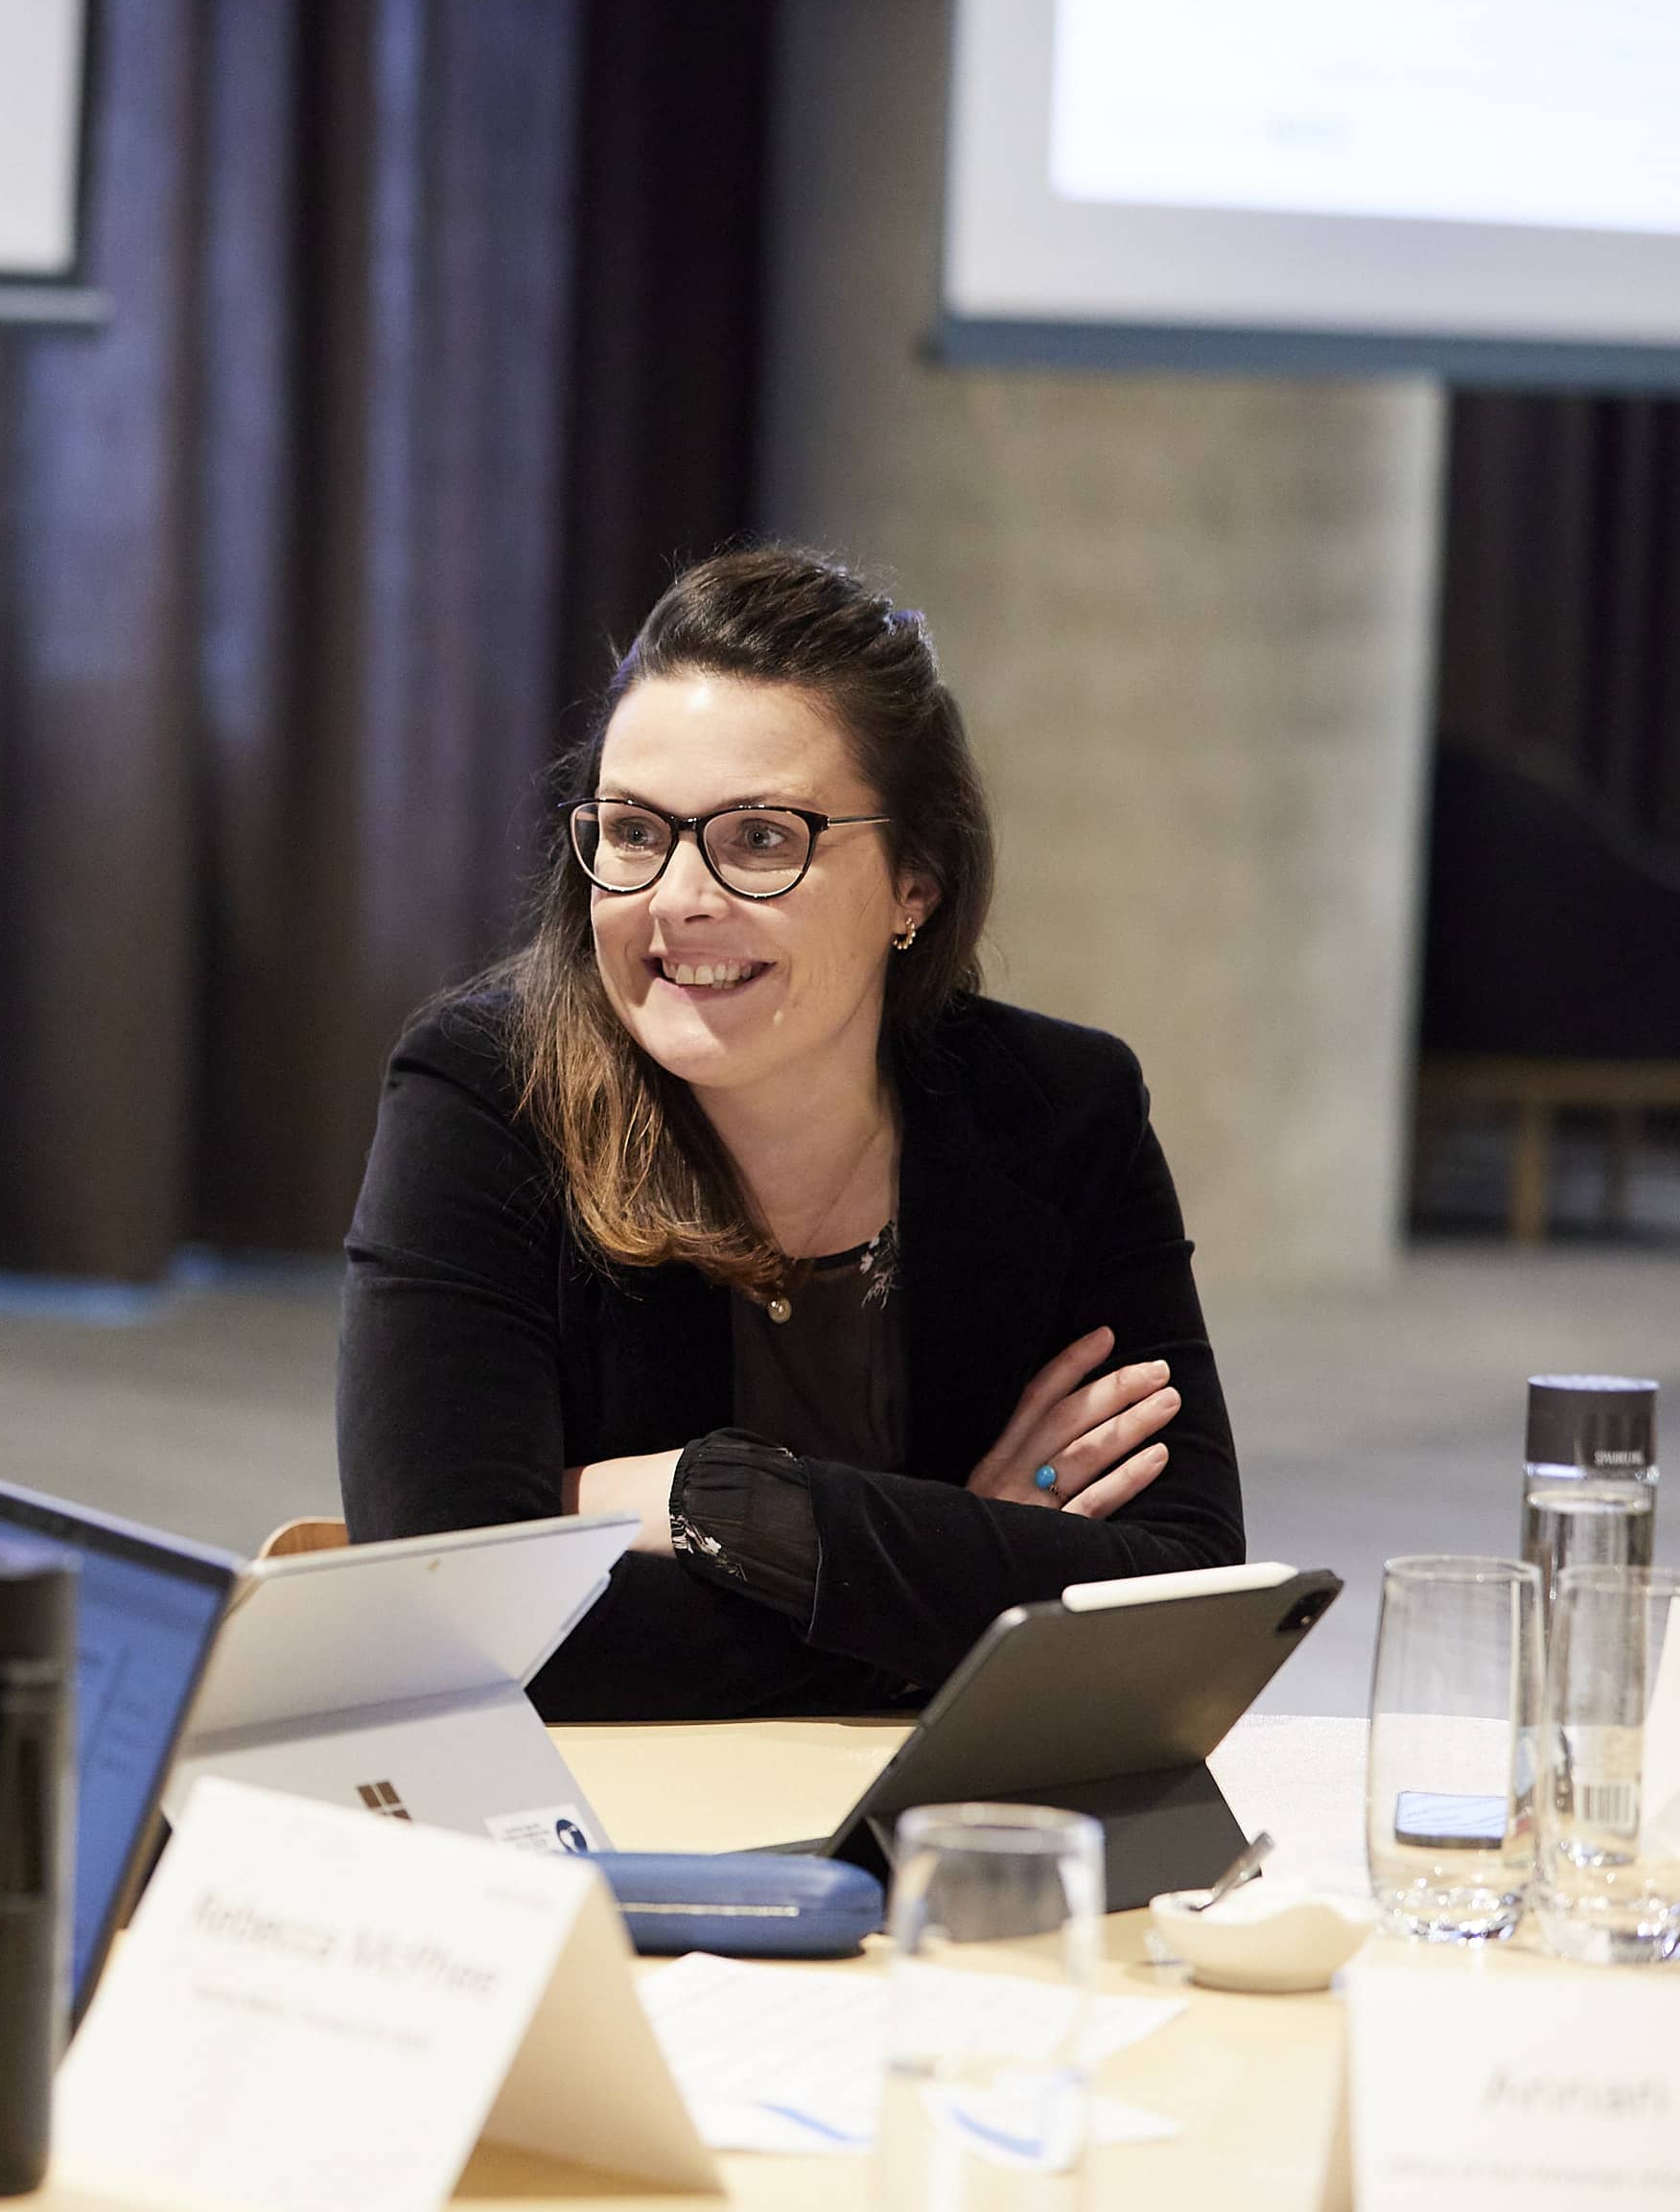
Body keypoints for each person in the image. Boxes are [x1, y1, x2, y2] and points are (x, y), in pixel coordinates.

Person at [338, 547, 1247, 1717]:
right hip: (609, 1842)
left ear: (915, 880)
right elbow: (452, 1613)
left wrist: (718, 1503)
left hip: (952, 1825)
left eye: (761, 839)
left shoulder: (1061, 1110)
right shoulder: (485, 1095)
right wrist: (966, 1584)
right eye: (632, 831)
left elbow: (1187, 1600)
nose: (677, 899)